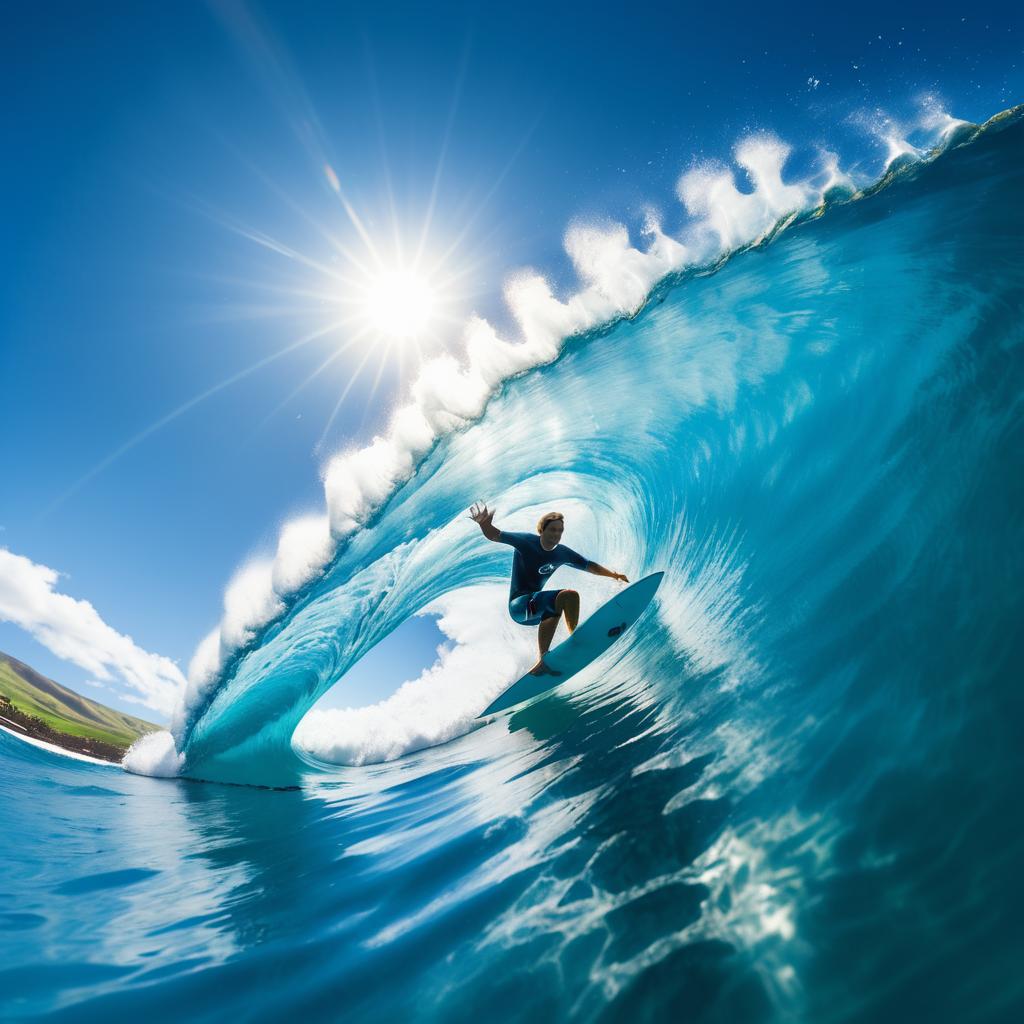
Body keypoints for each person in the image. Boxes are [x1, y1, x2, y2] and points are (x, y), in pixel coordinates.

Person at [469, 502, 629, 676]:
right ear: (542, 530)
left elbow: (588, 565)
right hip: (518, 606)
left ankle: (573, 638)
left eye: (560, 531)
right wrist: (484, 524)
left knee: (569, 598)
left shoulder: (562, 553)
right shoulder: (526, 541)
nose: (557, 534)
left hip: (535, 611)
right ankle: (543, 660)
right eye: (553, 529)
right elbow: (495, 535)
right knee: (565, 596)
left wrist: (614, 575)